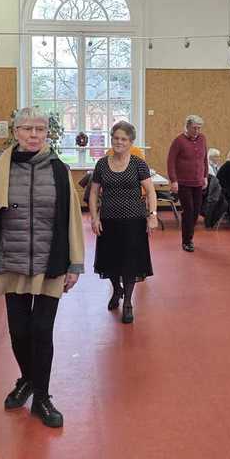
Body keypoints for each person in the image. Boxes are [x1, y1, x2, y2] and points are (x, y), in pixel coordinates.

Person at [0, 107, 85, 428]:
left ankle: (41, 397)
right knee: (19, 332)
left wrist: (75, 264)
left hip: (49, 261)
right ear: (16, 132)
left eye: (40, 129)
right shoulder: (1, 169)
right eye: (27, 128)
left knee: (41, 331)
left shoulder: (58, 170)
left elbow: (72, 219)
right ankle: (27, 379)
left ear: (47, 133)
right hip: (11, 261)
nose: (34, 134)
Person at [90, 122, 158, 325]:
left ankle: (127, 302)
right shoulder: (102, 164)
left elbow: (151, 191)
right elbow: (93, 193)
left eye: (123, 139)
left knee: (130, 263)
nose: (119, 142)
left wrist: (152, 215)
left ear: (130, 142)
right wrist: (94, 217)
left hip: (133, 221)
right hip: (108, 220)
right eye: (116, 138)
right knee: (110, 261)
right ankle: (117, 289)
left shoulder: (138, 164)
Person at [167, 114, 208, 252]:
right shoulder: (179, 141)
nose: (197, 131)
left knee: (196, 211)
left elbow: (204, 159)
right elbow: (171, 162)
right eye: (194, 128)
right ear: (187, 127)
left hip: (198, 182)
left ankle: (189, 235)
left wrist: (205, 176)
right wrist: (173, 180)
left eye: (199, 128)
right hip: (183, 183)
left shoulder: (202, 139)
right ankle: (187, 240)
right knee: (189, 210)